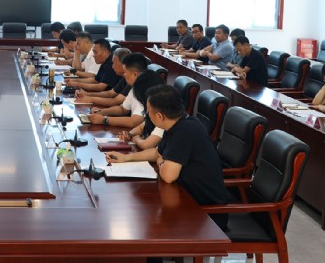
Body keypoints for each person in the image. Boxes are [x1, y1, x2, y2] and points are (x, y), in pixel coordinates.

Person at [106, 85, 230, 230]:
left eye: (149, 112)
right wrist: (126, 158)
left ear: (159, 116)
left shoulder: (185, 131)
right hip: (187, 199)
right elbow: (156, 153)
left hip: (206, 215)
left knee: (147, 221)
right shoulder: (177, 123)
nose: (147, 115)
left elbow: (168, 176)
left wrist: (160, 160)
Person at [88, 53, 161, 129]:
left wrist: (105, 120)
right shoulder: (134, 86)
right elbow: (123, 109)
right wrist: (101, 112)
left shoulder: (146, 90)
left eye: (125, 72)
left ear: (135, 74)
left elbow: (134, 121)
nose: (124, 75)